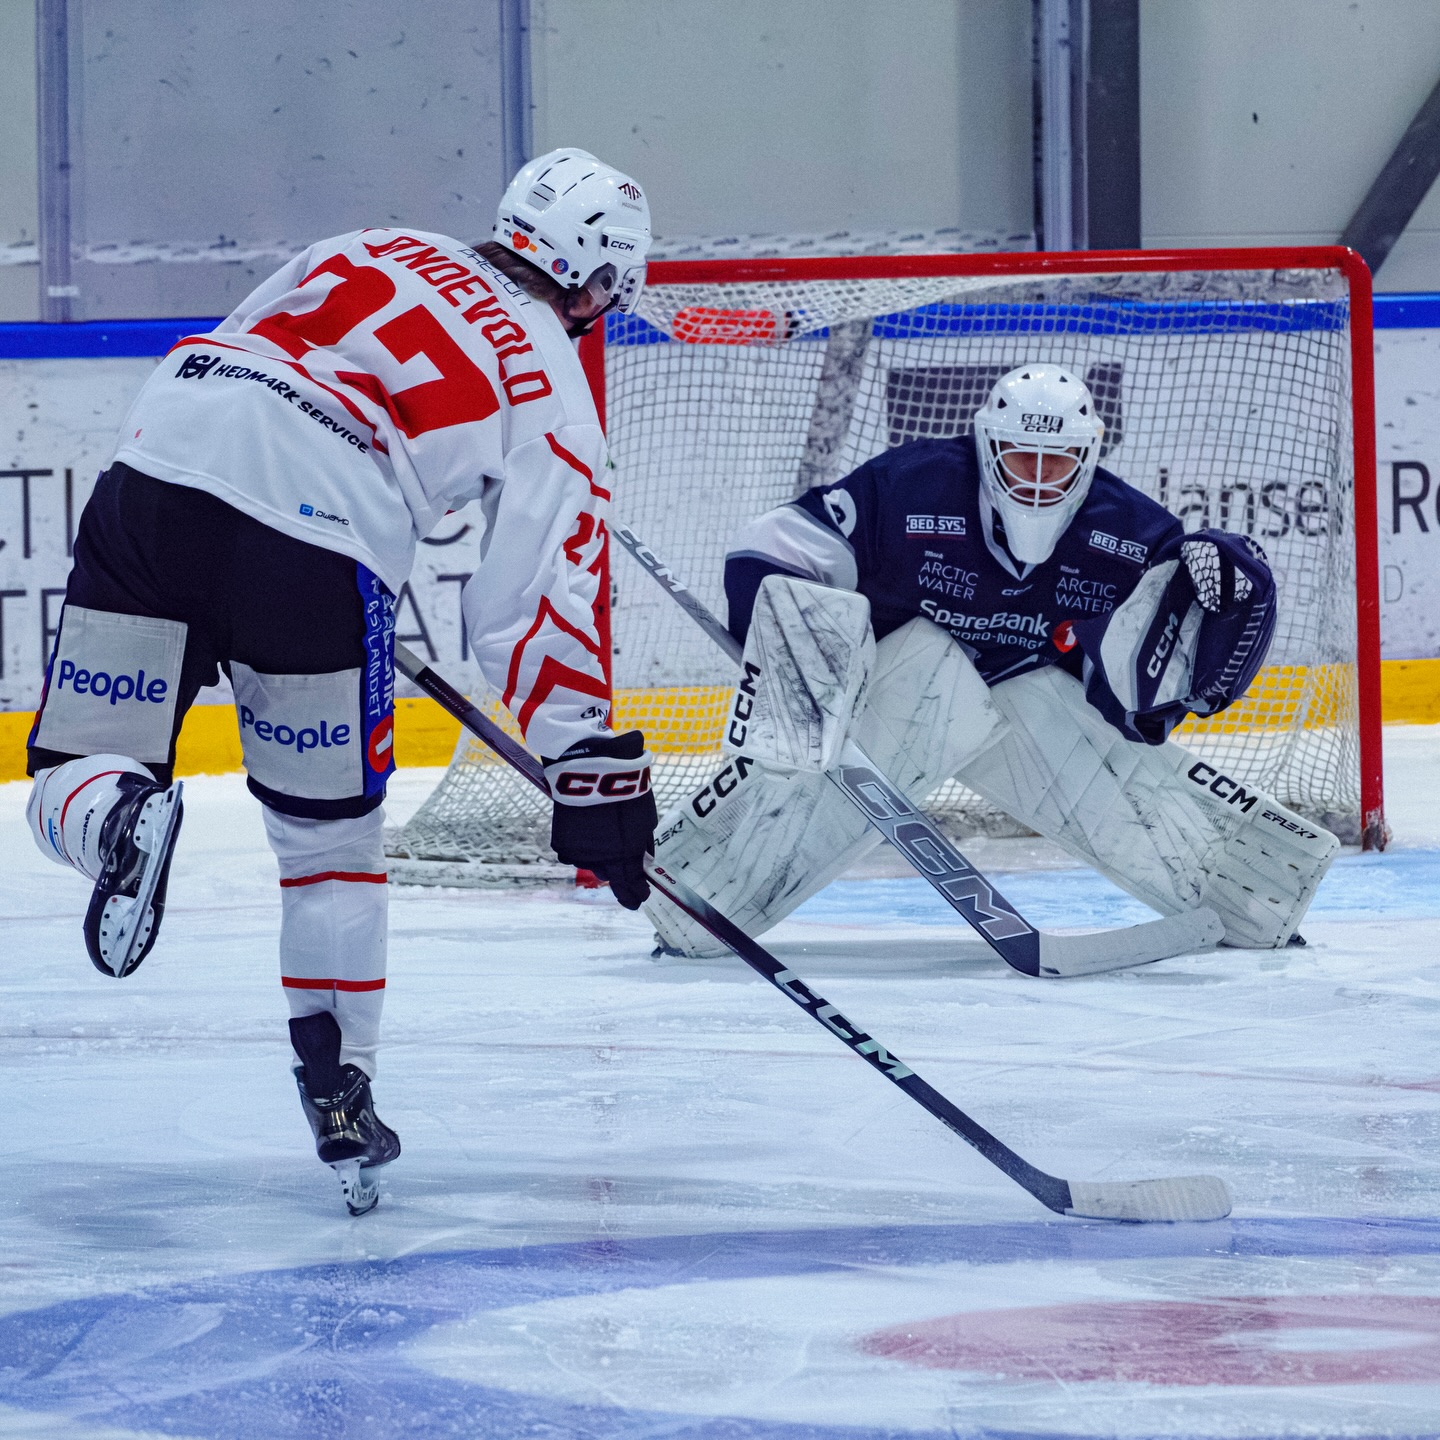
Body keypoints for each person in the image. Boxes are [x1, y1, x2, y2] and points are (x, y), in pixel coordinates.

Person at [24, 148, 659, 1214]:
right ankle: (340, 1093)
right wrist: (582, 754)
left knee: (76, 765)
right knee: (327, 848)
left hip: (159, 473)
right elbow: (531, 596)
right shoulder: (551, 378)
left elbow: (251, 350)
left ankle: (118, 820)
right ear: (600, 283)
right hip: (316, 545)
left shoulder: (376, 243)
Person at [644, 364, 1338, 959]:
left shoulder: (1134, 535)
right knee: (920, 662)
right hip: (893, 698)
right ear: (986, 442)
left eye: (1055, 461)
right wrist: (800, 668)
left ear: (1088, 455)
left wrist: (1214, 608)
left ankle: (1249, 899)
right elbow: (772, 548)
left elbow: (1140, 701)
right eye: (1019, 456)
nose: (1036, 477)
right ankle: (696, 900)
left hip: (1026, 712)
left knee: (1070, 730)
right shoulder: (912, 486)